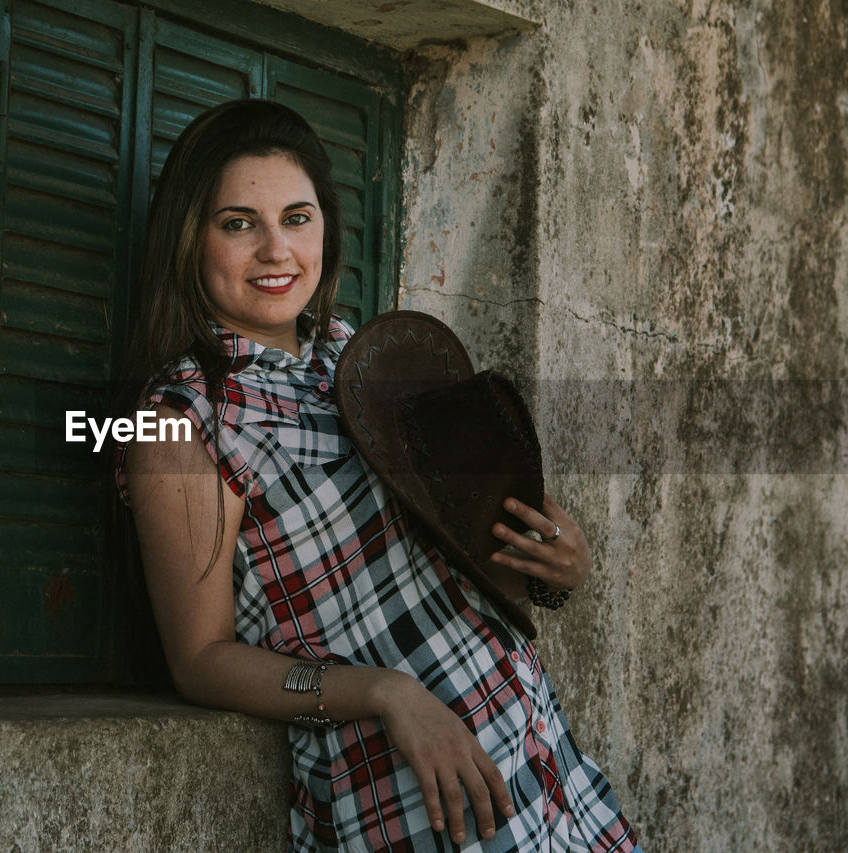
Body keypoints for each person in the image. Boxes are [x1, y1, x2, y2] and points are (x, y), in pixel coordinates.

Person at [113, 99, 641, 852]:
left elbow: (470, 553)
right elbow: (200, 661)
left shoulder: (367, 359)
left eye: (297, 217)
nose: (275, 249)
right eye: (238, 223)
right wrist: (385, 694)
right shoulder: (184, 418)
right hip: (405, 792)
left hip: (538, 757)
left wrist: (561, 567)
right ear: (190, 239)